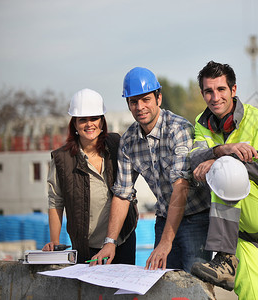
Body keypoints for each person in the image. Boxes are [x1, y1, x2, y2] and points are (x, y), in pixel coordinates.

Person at [90, 67, 212, 272]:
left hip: (196, 217)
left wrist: (165, 243)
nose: (140, 107)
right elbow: (122, 194)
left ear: (159, 98)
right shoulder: (128, 141)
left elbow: (180, 187)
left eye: (146, 99)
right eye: (133, 102)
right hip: (164, 218)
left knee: (195, 282)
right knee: (162, 282)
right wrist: (110, 242)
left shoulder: (178, 130)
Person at [189, 61, 258, 299]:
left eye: (221, 89)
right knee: (250, 285)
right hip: (232, 220)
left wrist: (228, 161)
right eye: (209, 91)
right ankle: (229, 261)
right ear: (202, 94)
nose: (215, 97)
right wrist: (224, 150)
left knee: (226, 169)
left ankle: (224, 258)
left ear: (233, 90)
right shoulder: (202, 122)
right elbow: (194, 160)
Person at [43, 88, 138, 264]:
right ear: (74, 124)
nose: (89, 124)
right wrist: (54, 241)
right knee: (91, 292)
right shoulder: (62, 159)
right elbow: (55, 200)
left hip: (122, 240)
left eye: (94, 118)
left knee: (122, 290)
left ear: (102, 122)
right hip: (87, 247)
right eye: (83, 120)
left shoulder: (117, 144)